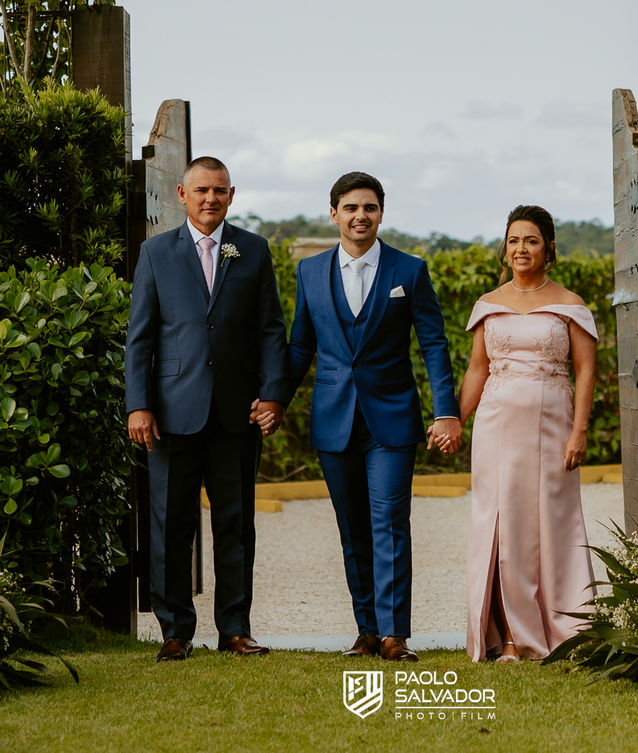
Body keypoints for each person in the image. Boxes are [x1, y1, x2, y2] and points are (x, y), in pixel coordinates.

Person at [285, 171, 461, 664]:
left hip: (391, 419)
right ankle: (366, 628)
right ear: (335, 214)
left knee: (390, 522)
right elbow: (301, 345)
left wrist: (444, 410)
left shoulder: (410, 270)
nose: (360, 216)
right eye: (350, 207)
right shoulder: (310, 272)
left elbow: (433, 344)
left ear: (382, 212)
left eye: (370, 207)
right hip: (333, 418)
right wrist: (274, 398)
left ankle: (394, 634)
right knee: (352, 528)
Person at [125, 156, 288, 663]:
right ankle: (175, 630)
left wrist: (274, 394)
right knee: (170, 524)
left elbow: (271, 331)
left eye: (219, 191)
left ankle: (235, 628)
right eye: (201, 190)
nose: (210, 198)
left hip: (237, 413)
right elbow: (140, 339)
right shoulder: (155, 254)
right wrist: (139, 406)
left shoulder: (254, 251)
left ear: (232, 195)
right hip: (173, 414)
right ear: (182, 194)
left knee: (236, 526)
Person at [459, 203, 598, 663]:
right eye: (514, 240)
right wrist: (454, 419)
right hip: (496, 427)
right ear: (505, 248)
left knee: (553, 525)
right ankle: (512, 638)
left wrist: (579, 431)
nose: (521, 248)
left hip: (554, 427)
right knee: (502, 525)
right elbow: (478, 370)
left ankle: (568, 627)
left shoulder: (571, 304)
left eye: (531, 240)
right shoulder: (488, 305)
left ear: (549, 248)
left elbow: (585, 371)